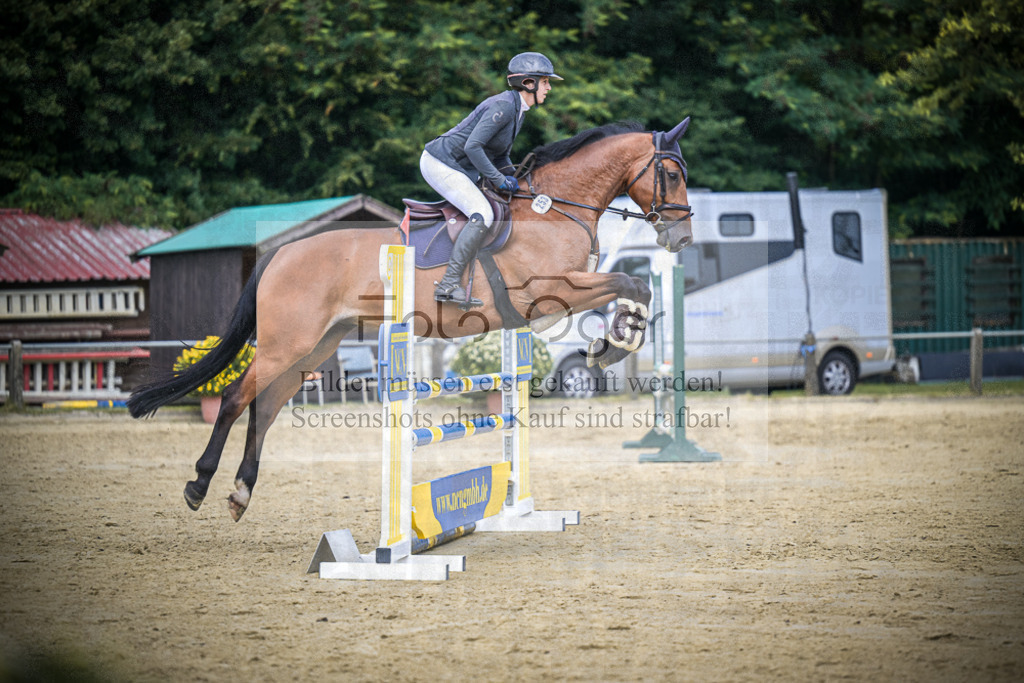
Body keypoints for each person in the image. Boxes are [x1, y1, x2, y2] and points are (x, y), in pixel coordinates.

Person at [420, 51, 561, 307]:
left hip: (461, 166)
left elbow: (500, 155)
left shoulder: (518, 110)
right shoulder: (504, 106)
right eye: (546, 81)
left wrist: (517, 180)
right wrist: (497, 179)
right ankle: (449, 284)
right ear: (529, 82)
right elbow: (473, 147)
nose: (549, 88)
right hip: (441, 162)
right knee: (483, 213)